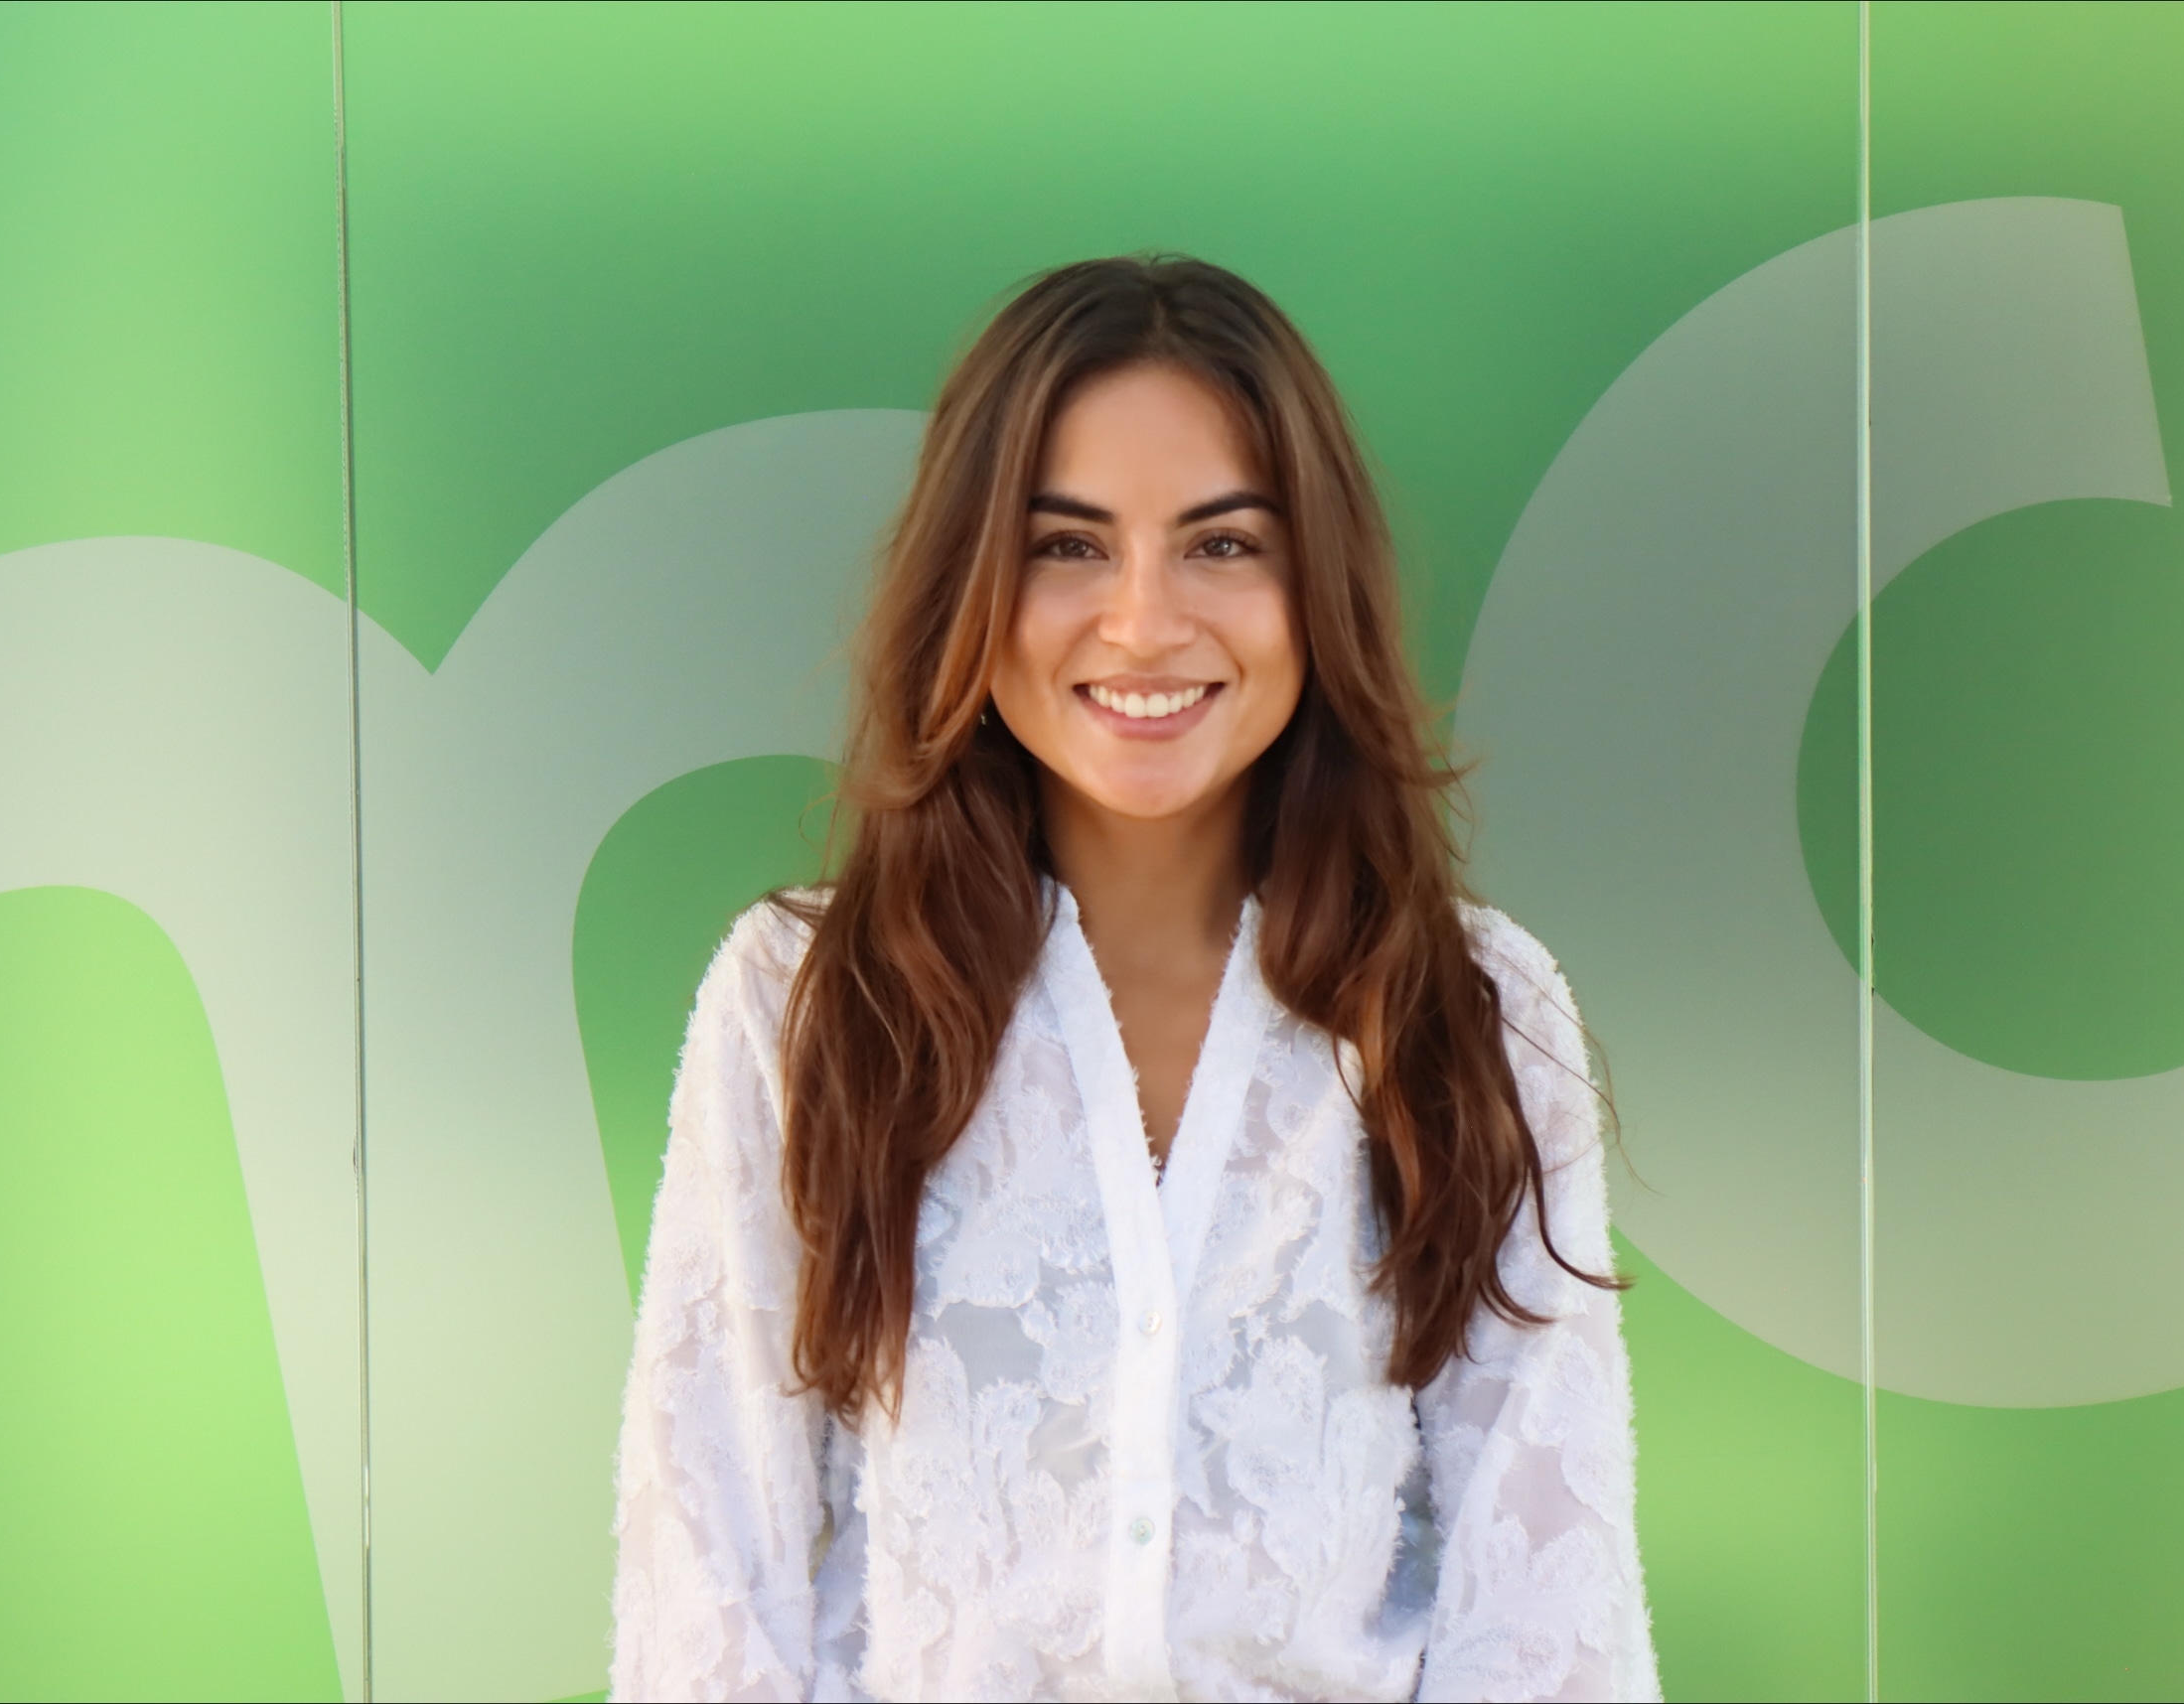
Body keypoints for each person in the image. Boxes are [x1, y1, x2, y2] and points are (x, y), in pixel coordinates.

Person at [608, 255, 1657, 1703]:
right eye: (1067, 545)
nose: (1146, 622)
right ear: (972, 583)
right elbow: (710, 1588)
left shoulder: (1473, 1009)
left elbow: (1547, 1615)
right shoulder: (803, 1003)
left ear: (1316, 584)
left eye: (1222, 543)